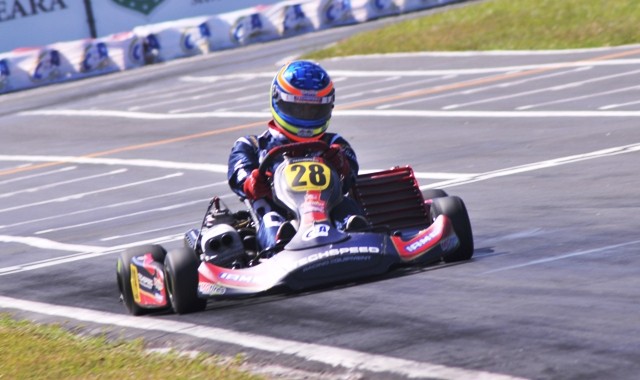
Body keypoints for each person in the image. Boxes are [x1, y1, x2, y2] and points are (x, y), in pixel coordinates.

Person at [227, 60, 368, 252]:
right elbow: (238, 175)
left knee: (345, 206)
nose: (305, 115)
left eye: (313, 110)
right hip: (277, 211)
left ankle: (356, 234)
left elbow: (351, 173)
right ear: (278, 100)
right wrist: (252, 182)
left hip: (328, 208)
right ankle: (279, 246)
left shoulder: (333, 142)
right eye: (299, 109)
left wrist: (341, 163)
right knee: (270, 219)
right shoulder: (251, 145)